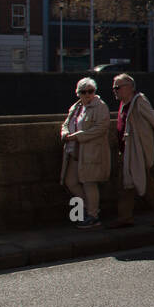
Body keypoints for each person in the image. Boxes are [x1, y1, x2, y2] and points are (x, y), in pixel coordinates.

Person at [107, 75, 154, 229]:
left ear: (130, 87)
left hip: (137, 151)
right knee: (125, 184)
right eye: (114, 88)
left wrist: (151, 148)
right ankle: (125, 217)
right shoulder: (125, 103)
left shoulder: (139, 101)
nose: (115, 91)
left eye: (118, 87)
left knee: (145, 183)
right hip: (127, 150)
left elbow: (153, 124)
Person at [60, 77, 110, 230]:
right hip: (74, 152)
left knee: (89, 182)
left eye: (91, 91)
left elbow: (101, 128)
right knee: (71, 182)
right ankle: (88, 210)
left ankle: (93, 216)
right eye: (84, 92)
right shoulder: (76, 107)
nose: (88, 94)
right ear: (78, 93)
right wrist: (65, 133)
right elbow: (66, 123)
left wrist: (77, 136)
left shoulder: (100, 107)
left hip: (90, 152)